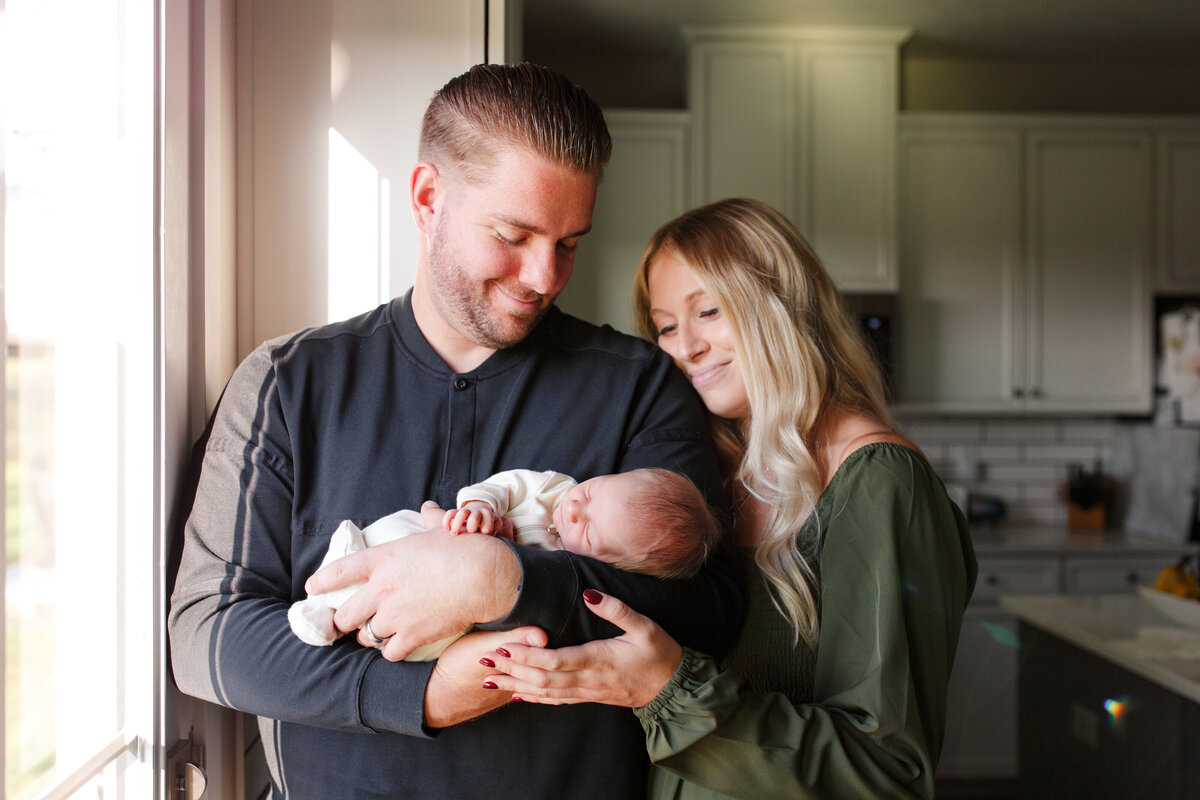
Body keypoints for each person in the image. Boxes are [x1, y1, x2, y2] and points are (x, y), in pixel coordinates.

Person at [168, 64, 742, 800]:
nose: (545, 275)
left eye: (569, 242)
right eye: (513, 233)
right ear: (428, 198)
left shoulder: (640, 388)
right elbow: (207, 638)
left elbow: (711, 614)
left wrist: (506, 580)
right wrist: (425, 695)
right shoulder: (285, 383)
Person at [481, 198, 978, 799]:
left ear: (784, 304)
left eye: (708, 311)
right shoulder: (699, 481)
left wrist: (667, 691)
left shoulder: (878, 483)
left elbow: (887, 771)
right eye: (665, 326)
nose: (684, 347)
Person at [289, 467, 721, 652]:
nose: (573, 509)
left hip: (447, 608)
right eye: (590, 494)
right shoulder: (553, 489)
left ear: (613, 565)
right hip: (440, 534)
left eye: (588, 528)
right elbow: (503, 486)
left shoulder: (563, 565)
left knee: (433, 637)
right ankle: (333, 583)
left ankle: (336, 617)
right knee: (404, 530)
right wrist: (478, 506)